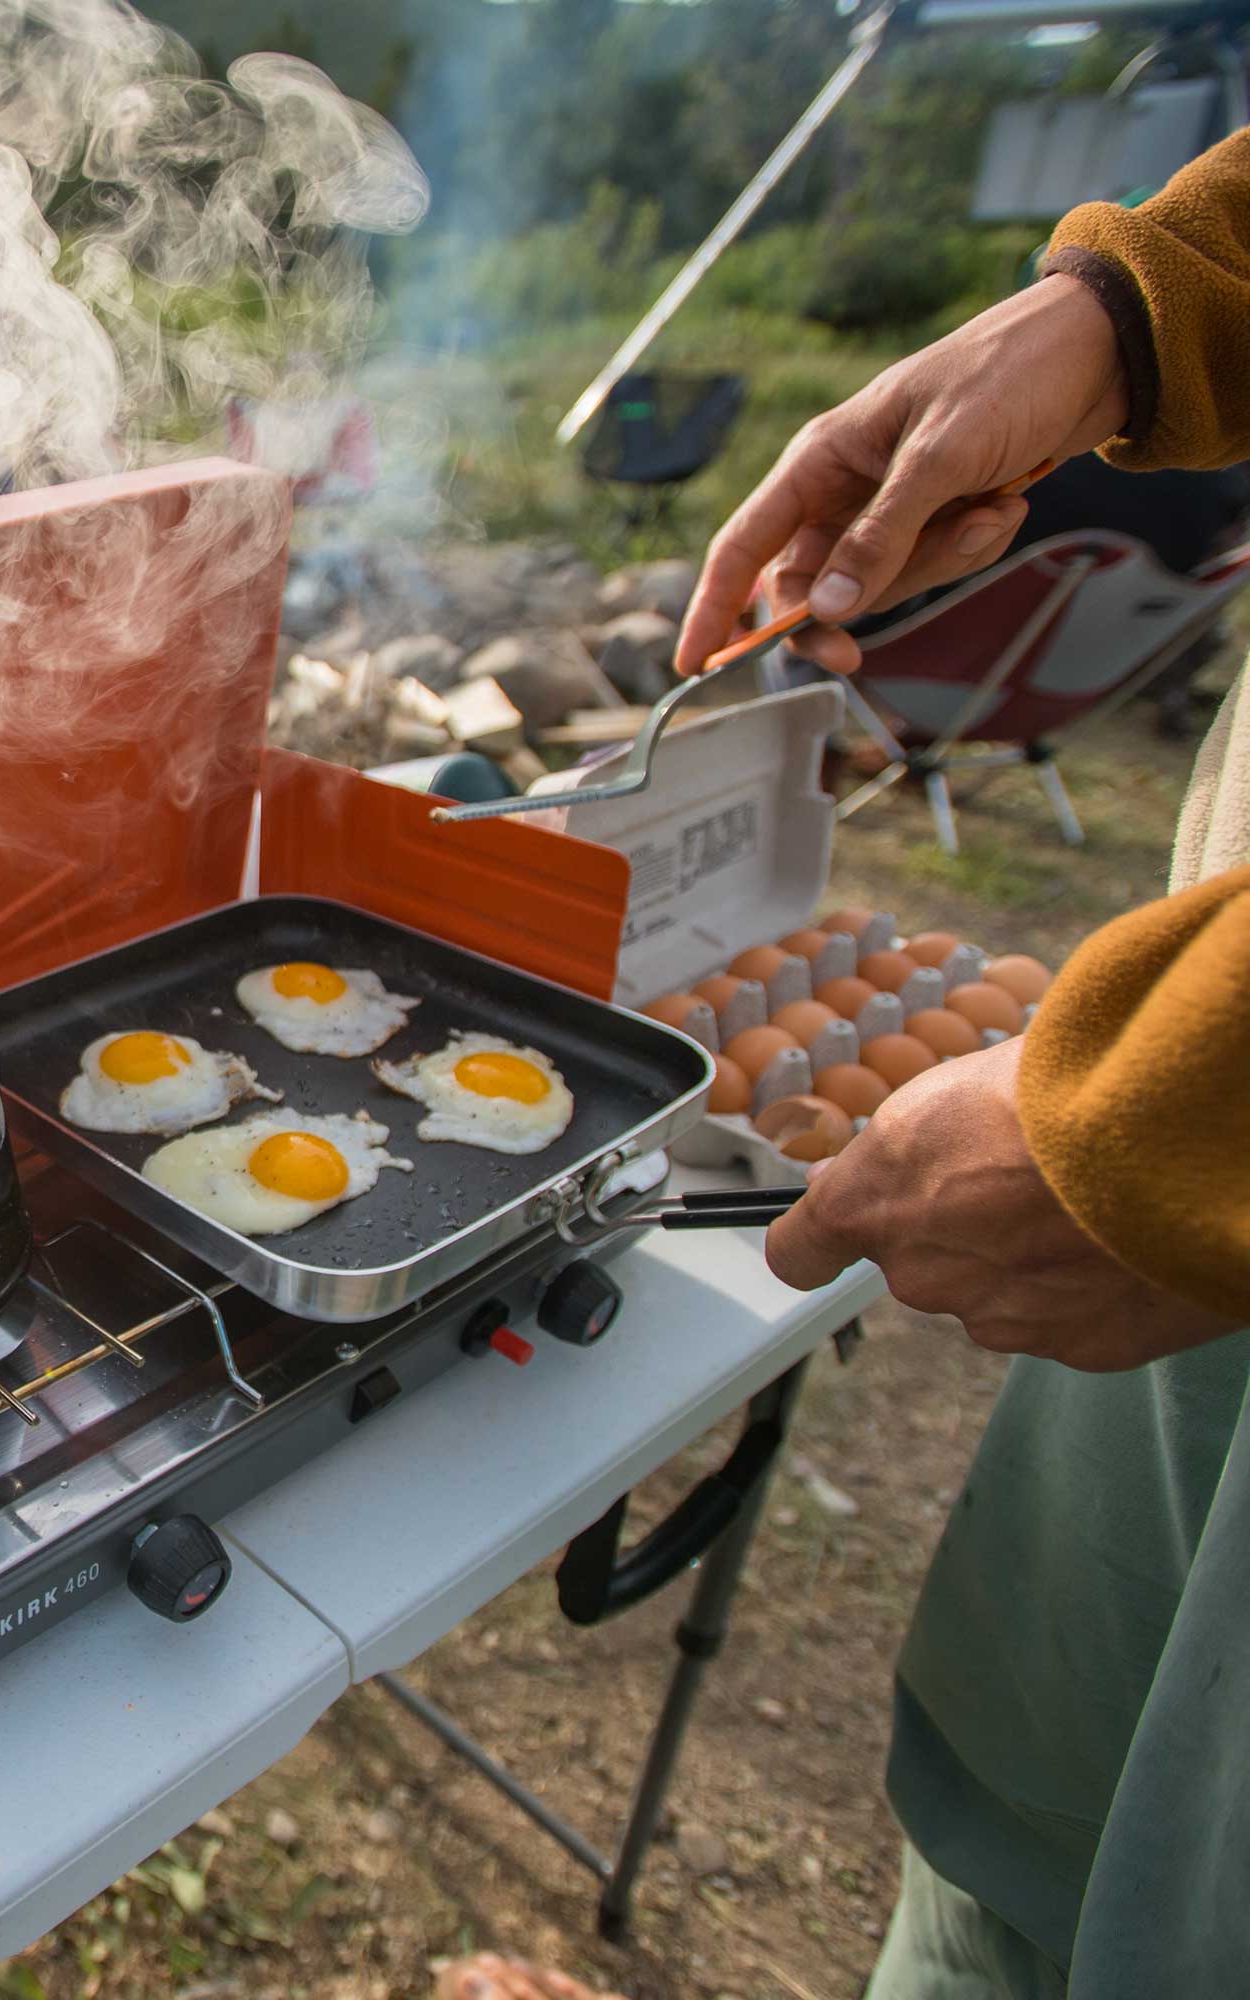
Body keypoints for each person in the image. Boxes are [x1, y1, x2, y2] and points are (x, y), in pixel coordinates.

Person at [666, 128, 1250, 1998]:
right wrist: (1130, 309)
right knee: (1032, 1828)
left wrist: (1186, 1111)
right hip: (1191, 1122)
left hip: (1194, 1111)